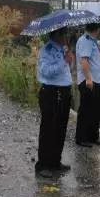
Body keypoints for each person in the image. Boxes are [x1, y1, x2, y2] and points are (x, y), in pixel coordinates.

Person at [35, 27, 74, 178]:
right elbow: (46, 71)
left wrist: (68, 60)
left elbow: (66, 70)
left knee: (60, 129)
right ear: (57, 34)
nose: (67, 36)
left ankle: (55, 162)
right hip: (51, 93)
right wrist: (64, 61)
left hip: (63, 92)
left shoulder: (62, 49)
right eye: (65, 33)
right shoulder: (47, 50)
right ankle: (43, 165)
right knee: (48, 130)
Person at [75, 23, 100, 148]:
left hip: (98, 81)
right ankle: (82, 138)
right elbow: (84, 60)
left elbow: (95, 59)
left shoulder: (93, 41)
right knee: (86, 110)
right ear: (97, 29)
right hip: (90, 82)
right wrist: (88, 79)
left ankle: (93, 137)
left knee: (95, 110)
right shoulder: (86, 41)